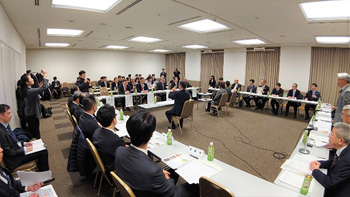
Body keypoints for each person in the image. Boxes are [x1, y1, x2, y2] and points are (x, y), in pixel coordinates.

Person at [114, 111, 199, 197]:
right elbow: (171, 193)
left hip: (136, 185)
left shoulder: (119, 151)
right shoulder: (153, 171)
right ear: (151, 135)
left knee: (173, 171)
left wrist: (159, 172)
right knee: (197, 186)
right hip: (156, 192)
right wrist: (167, 179)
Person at [0, 104, 49, 172]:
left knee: (42, 147)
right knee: (43, 152)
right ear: (1, 116)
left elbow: (14, 141)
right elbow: (9, 152)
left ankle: (41, 172)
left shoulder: (5, 125)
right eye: (8, 113)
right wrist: (25, 150)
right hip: (15, 160)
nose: (11, 115)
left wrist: (24, 144)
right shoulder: (1, 132)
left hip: (18, 151)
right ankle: (44, 176)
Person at [309, 122, 350, 197]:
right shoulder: (343, 149)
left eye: (332, 134)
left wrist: (315, 170)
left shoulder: (347, 160)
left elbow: (330, 183)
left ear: (341, 141)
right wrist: (319, 163)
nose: (329, 136)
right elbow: (333, 162)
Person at [93, 105, 125, 174]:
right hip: (114, 168)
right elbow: (124, 157)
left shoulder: (96, 132)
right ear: (114, 120)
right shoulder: (115, 141)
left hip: (105, 161)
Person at [20, 72, 48, 139]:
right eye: (30, 78)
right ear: (27, 82)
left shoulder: (27, 90)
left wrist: (39, 87)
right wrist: (44, 76)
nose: (32, 79)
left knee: (34, 132)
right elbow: (45, 87)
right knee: (36, 134)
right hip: (32, 116)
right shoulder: (29, 91)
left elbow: (39, 91)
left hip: (30, 114)